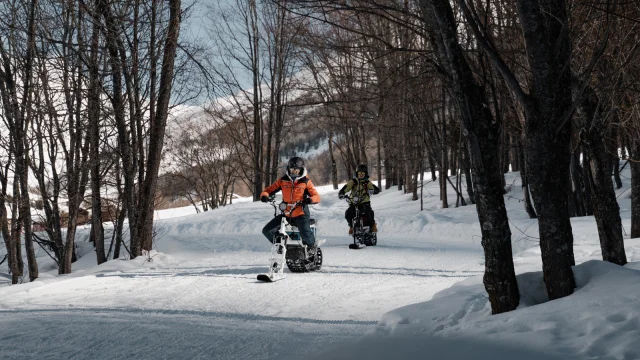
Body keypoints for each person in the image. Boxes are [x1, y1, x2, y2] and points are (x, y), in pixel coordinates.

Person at [260, 156, 321, 252]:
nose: (294, 171)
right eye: (292, 169)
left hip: (301, 214)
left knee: (305, 234)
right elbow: (269, 190)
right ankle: (280, 246)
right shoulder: (283, 180)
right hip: (287, 214)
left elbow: (316, 196)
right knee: (267, 230)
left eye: (296, 169)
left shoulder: (305, 181)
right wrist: (264, 195)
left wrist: (310, 200)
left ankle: (312, 247)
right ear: (288, 168)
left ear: (301, 169)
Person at [338, 164, 380, 234]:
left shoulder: (367, 182)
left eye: (362, 173)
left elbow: (374, 188)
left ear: (365, 174)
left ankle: (373, 225)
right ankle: (351, 226)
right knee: (348, 213)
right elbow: (347, 187)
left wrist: (373, 191)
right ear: (357, 174)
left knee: (369, 212)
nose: (361, 175)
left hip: (364, 201)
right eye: (359, 173)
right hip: (354, 202)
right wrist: (341, 193)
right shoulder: (353, 182)